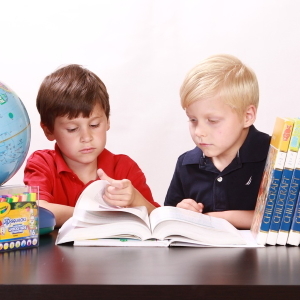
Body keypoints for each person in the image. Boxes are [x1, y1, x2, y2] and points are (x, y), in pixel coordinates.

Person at [24, 64, 160, 227]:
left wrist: (135, 199)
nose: (86, 137)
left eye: (94, 125)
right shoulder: (42, 164)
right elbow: (36, 211)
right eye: (72, 129)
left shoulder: (124, 168)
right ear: (48, 130)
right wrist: (97, 215)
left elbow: (158, 220)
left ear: (107, 120)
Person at [164, 54, 271, 229]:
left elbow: (285, 219)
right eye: (192, 120)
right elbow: (167, 221)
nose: (199, 132)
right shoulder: (186, 164)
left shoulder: (276, 157)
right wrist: (181, 211)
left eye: (212, 121)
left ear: (247, 116)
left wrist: (217, 218)